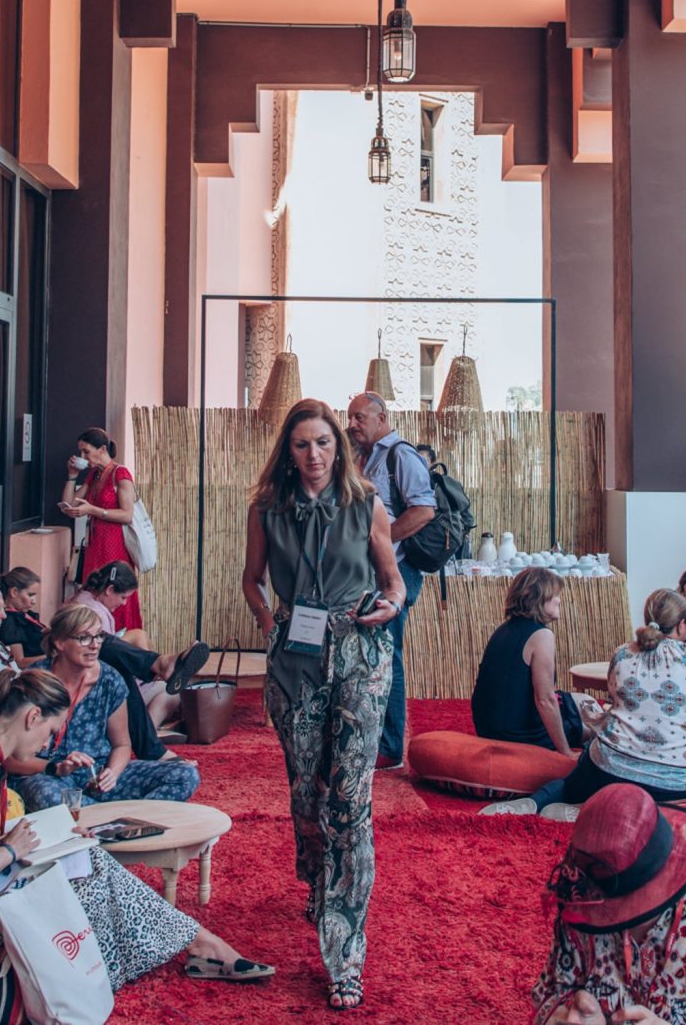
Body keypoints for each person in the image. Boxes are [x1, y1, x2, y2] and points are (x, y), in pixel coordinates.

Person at [0, 670, 270, 1024]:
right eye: (50, 733)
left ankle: (194, 944)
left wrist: (7, 844)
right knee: (86, 883)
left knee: (87, 858)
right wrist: (10, 850)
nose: (46, 744)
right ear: (32, 717)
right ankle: (166, 956)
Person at [241, 397, 404, 1011]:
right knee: (307, 794)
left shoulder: (367, 504)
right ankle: (317, 876)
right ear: (289, 451)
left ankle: (344, 953)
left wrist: (391, 605)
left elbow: (392, 582)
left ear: (340, 447)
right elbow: (252, 579)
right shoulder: (266, 509)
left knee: (351, 800)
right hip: (296, 660)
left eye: (324, 443)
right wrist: (269, 624)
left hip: (360, 655)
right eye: (303, 444)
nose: (314, 455)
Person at [483, 589, 686, 818]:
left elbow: (616, 700)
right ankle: (594, 811)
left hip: (610, 764)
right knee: (631, 785)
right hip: (673, 781)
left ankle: (536, 802)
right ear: (682, 626)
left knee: (573, 780)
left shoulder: (624, 654)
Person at [531, 784, 686, 1025]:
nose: (604, 916)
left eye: (620, 908)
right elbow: (549, 993)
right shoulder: (581, 901)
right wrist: (570, 1013)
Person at [15, 604, 199, 812]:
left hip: (97, 773)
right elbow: (11, 758)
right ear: (60, 642)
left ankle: (107, 819)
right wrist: (57, 768)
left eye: (99, 636)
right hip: (48, 775)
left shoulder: (110, 680)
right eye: (84, 638)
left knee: (185, 775)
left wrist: (112, 773)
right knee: (48, 796)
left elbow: (122, 744)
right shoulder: (33, 681)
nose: (95, 645)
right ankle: (118, 819)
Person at [343, 392, 438, 770]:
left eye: (359, 417)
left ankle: (391, 747)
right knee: (372, 656)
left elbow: (424, 510)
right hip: (371, 573)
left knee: (388, 655)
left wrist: (381, 543)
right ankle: (372, 738)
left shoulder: (402, 455)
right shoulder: (362, 457)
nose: (352, 423)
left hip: (398, 570)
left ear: (381, 418)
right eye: (350, 417)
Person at [472, 566, 583, 758]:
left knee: (583, 702)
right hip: (518, 735)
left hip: (489, 727)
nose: (559, 600)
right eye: (555, 595)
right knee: (591, 728)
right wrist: (566, 752)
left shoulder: (504, 629)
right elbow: (545, 700)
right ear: (539, 597)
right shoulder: (541, 635)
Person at [59, 428, 143, 638]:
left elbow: (127, 514)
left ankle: (122, 641)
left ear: (102, 449)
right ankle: (95, 635)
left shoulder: (120, 473)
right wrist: (72, 475)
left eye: (86, 452)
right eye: (81, 452)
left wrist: (92, 510)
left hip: (114, 543)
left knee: (114, 589)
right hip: (95, 544)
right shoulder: (94, 475)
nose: (83, 456)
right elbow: (68, 503)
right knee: (95, 590)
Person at [69, 560, 150, 651]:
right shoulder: (97, 614)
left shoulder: (84, 595)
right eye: (123, 597)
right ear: (110, 589)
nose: (124, 603)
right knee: (139, 637)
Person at [0, 567, 46, 666]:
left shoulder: (25, 615)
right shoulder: (9, 621)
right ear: (14, 592)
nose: (34, 601)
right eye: (30, 595)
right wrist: (53, 657)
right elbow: (19, 662)